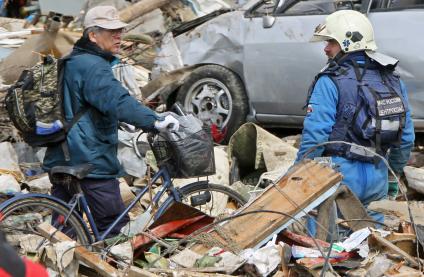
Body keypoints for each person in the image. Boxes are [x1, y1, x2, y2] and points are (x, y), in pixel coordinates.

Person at [42, 5, 179, 237]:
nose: (118, 36)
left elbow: (82, 105)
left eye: (120, 30)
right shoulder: (93, 66)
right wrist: (153, 121)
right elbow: (116, 100)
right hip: (89, 161)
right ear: (92, 35)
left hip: (62, 156)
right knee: (114, 230)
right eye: (111, 31)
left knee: (62, 233)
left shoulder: (72, 60)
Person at [295, 10, 414, 228]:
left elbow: (315, 136)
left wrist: (297, 174)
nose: (326, 48)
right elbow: (406, 138)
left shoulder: (330, 80)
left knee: (325, 253)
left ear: (348, 43)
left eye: (332, 41)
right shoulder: (393, 80)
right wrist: (391, 174)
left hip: (338, 179)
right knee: (371, 249)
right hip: (377, 175)